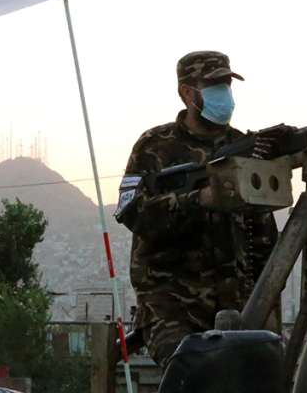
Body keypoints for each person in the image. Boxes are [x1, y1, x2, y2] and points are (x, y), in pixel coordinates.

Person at [115, 51, 278, 368]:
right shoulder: (154, 146)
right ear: (187, 93)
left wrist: (267, 304)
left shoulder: (246, 149)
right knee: (191, 371)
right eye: (213, 86)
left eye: (226, 85)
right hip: (171, 305)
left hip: (238, 308)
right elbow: (132, 212)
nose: (224, 94)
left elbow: (263, 237)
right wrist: (199, 199)